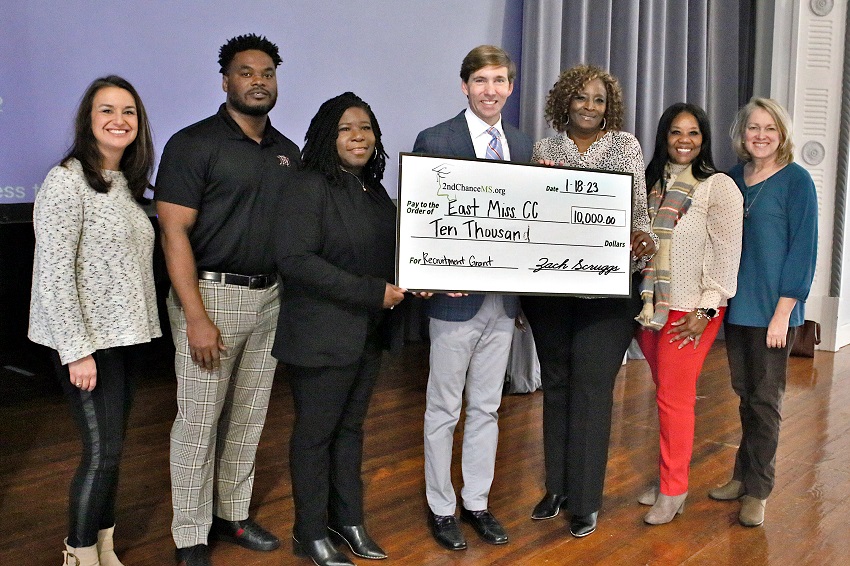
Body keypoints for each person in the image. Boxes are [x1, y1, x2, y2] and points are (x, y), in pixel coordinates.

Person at [155, 34, 301, 566]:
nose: (258, 81)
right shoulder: (191, 144)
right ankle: (190, 533)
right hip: (211, 297)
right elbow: (173, 233)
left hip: (271, 300)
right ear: (225, 80)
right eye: (246, 72)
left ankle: (231, 514)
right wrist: (195, 315)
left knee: (249, 416)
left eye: (267, 73)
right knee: (198, 421)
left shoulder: (288, 152)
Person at [28, 75, 161, 566]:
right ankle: (79, 555)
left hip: (123, 338)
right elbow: (54, 273)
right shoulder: (67, 180)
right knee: (100, 453)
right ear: (89, 119)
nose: (119, 120)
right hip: (86, 344)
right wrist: (77, 350)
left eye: (128, 111)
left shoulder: (124, 181)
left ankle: (105, 551)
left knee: (113, 453)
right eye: (107, 110)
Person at [520, 64, 656, 538]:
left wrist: (642, 239)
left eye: (598, 100)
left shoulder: (625, 146)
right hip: (551, 293)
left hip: (607, 293)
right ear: (565, 102)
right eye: (581, 98)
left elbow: (638, 213)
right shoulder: (546, 148)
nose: (589, 107)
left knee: (593, 391)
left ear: (608, 107)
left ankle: (585, 500)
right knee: (555, 384)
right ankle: (556, 486)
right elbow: (533, 217)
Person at [273, 92, 403, 566]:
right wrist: (373, 292)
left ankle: (348, 521)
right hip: (320, 337)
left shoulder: (373, 190)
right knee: (315, 435)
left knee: (350, 431)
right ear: (329, 135)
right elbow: (295, 260)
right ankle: (308, 531)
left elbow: (387, 258)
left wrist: (418, 281)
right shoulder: (307, 185)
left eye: (366, 127)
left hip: (366, 335)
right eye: (347, 128)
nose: (358, 136)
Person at [413, 45, 533, 551]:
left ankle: (477, 503)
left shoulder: (523, 144)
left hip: (503, 302)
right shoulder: (435, 139)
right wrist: (433, 273)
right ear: (465, 86)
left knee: (487, 408)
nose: (490, 89)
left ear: (510, 87)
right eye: (480, 80)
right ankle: (441, 508)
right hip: (453, 300)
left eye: (499, 80)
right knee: (443, 409)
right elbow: (420, 218)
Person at [709, 97, 817, 527]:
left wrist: (783, 311)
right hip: (738, 307)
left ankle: (759, 491)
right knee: (745, 397)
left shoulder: (797, 181)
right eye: (753, 127)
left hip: (775, 310)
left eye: (769, 128)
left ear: (782, 134)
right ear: (742, 134)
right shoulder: (732, 178)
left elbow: (803, 250)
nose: (760, 136)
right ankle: (741, 475)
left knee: (766, 401)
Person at [633, 103, 743, 524]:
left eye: (693, 133)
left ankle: (674, 491)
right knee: (666, 397)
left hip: (692, 310)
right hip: (650, 308)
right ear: (664, 137)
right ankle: (667, 479)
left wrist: (706, 306)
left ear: (704, 139)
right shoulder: (650, 183)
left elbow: (727, 253)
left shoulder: (718, 187)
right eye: (676, 132)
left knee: (673, 400)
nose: (684, 140)